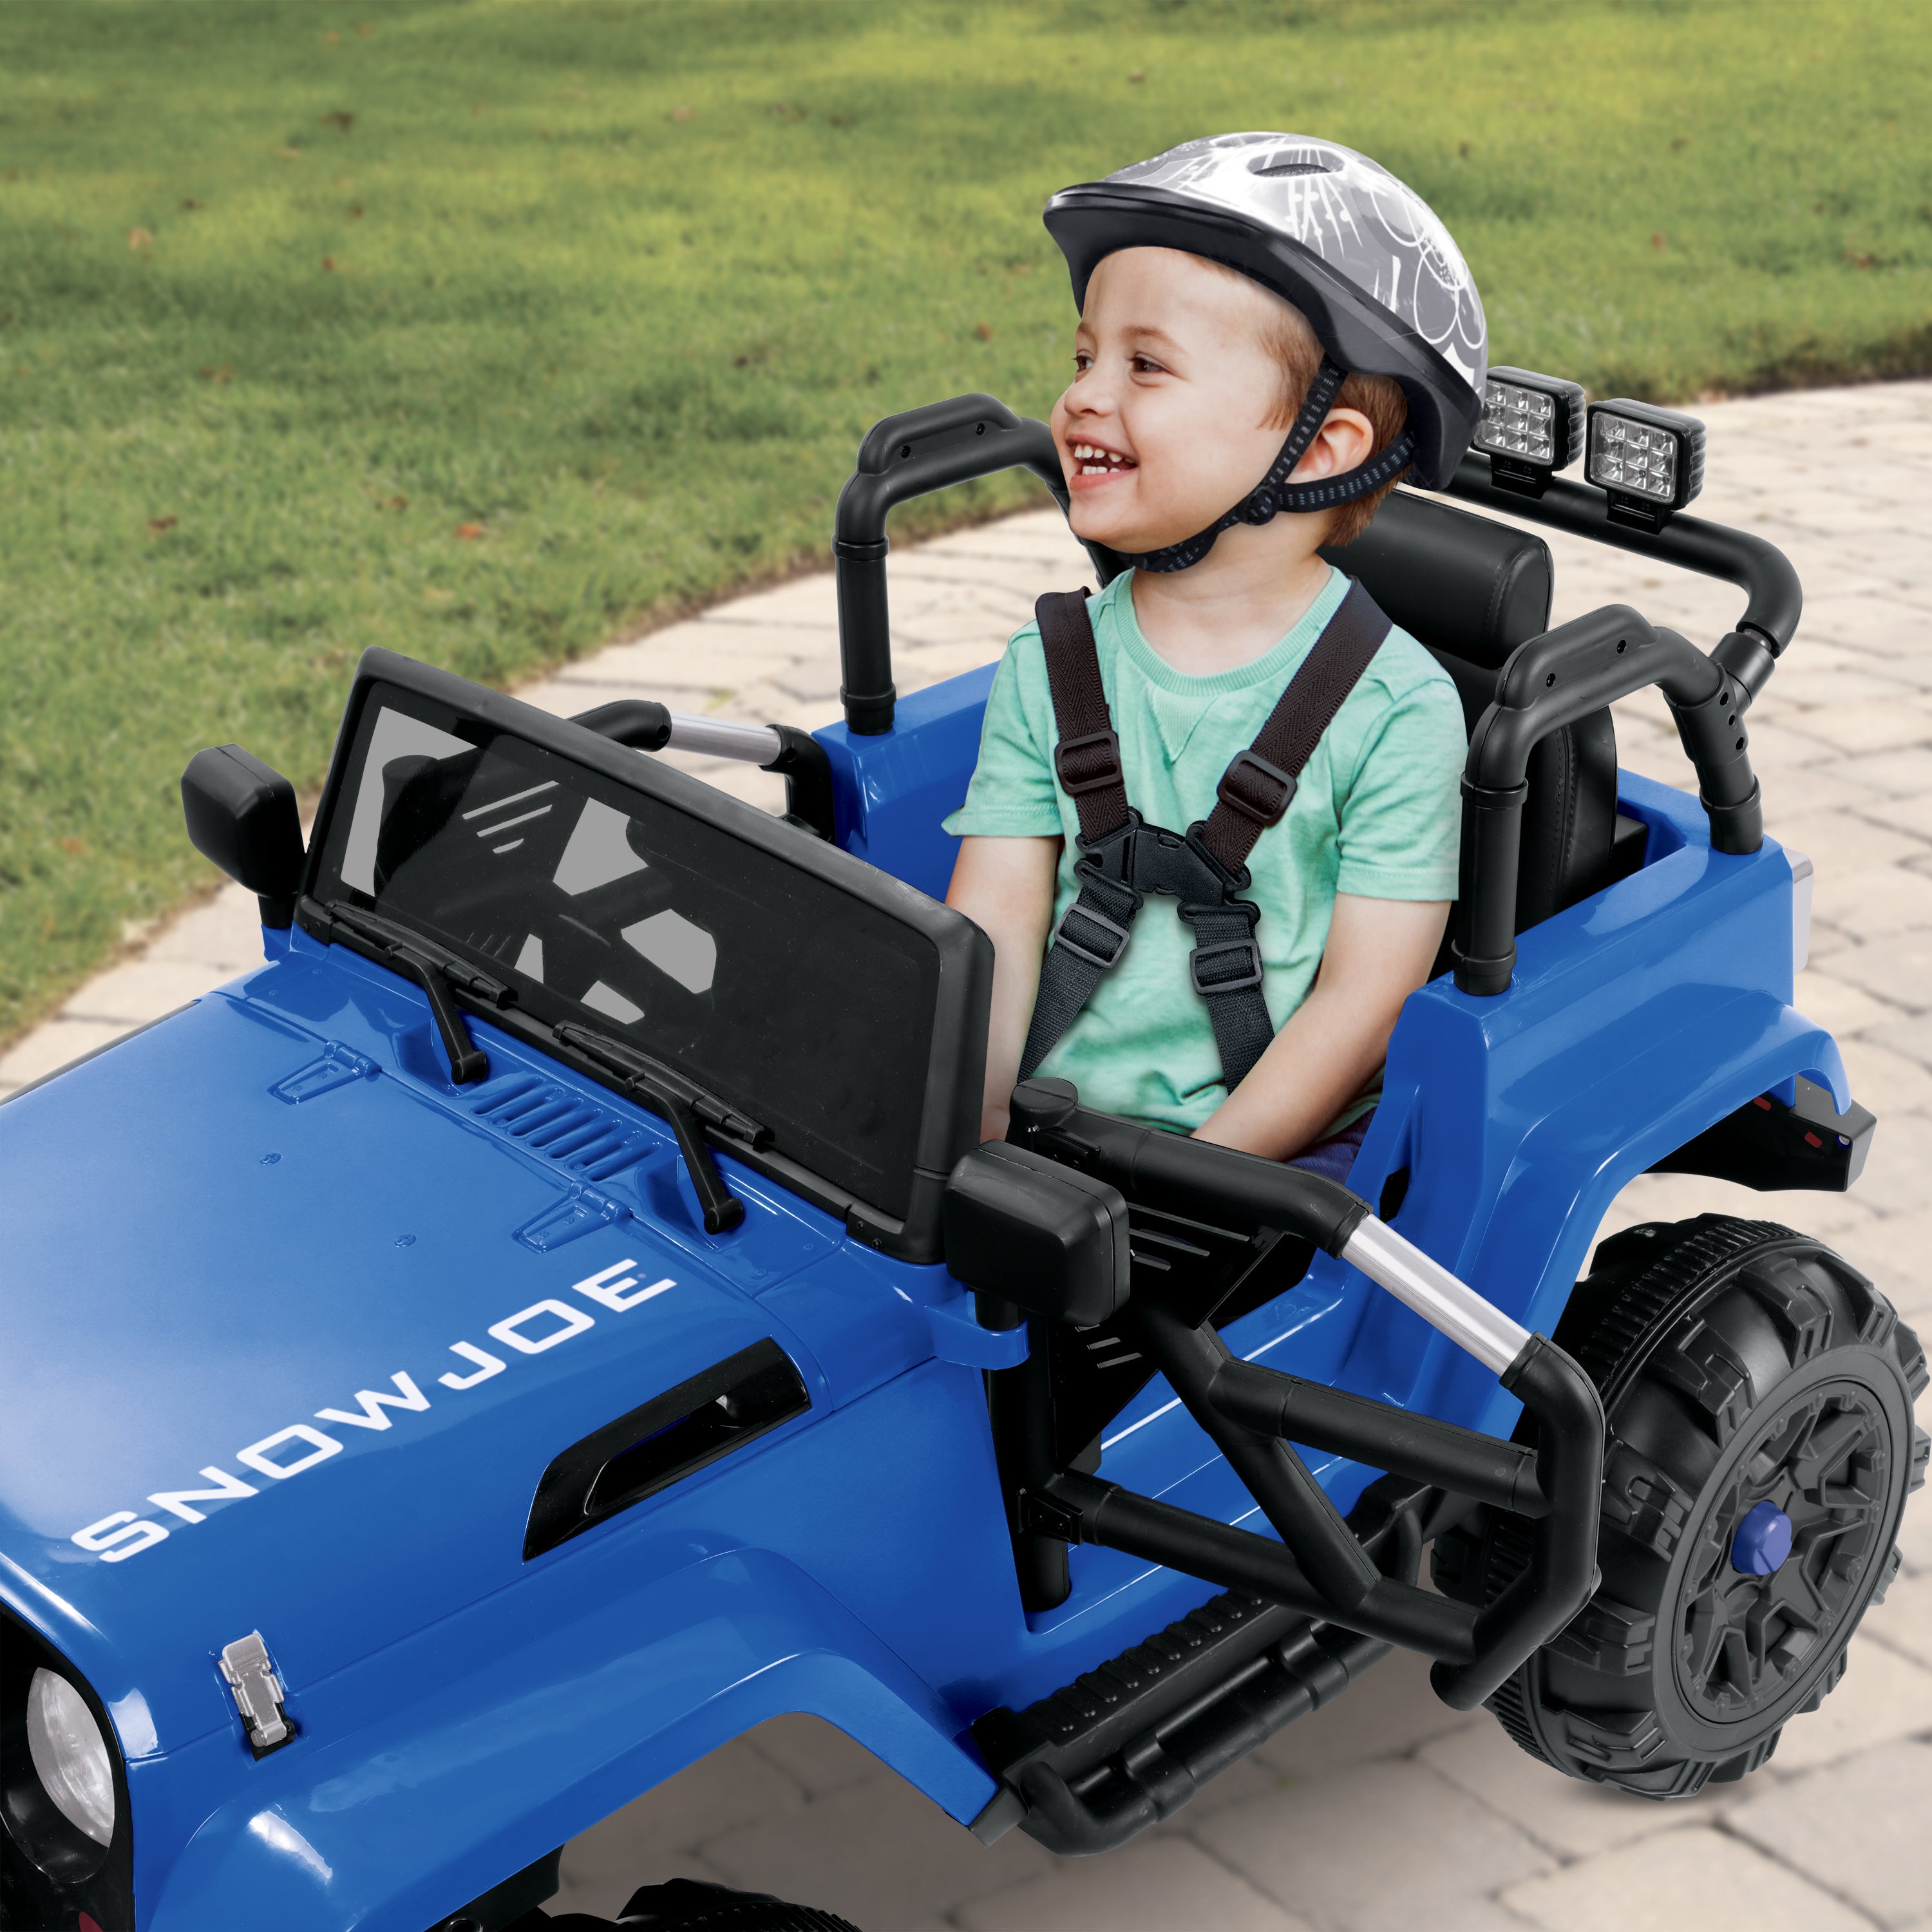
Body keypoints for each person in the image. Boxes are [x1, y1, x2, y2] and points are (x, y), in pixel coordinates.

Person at [943, 133, 1488, 1179]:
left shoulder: (1398, 711)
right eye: (1083, 357)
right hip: (1046, 1123)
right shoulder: (1052, 662)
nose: (1081, 399)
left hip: (1268, 1153)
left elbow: (1363, 1004)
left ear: (1320, 452)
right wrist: (966, 1149)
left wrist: (1195, 1188)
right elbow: (997, 927)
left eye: (1143, 365)